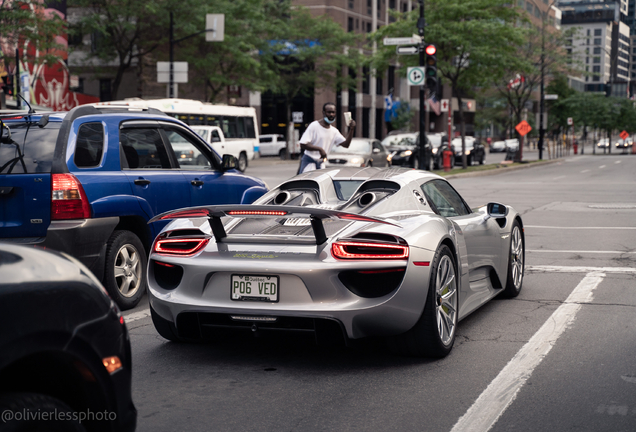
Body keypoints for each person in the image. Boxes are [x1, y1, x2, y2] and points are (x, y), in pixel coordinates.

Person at [298, 103, 356, 174]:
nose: (331, 114)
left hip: (321, 164)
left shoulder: (334, 131)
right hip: (309, 164)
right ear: (323, 113)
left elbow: (346, 144)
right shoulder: (314, 126)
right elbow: (303, 144)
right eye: (329, 112)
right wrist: (320, 149)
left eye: (333, 112)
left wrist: (352, 130)